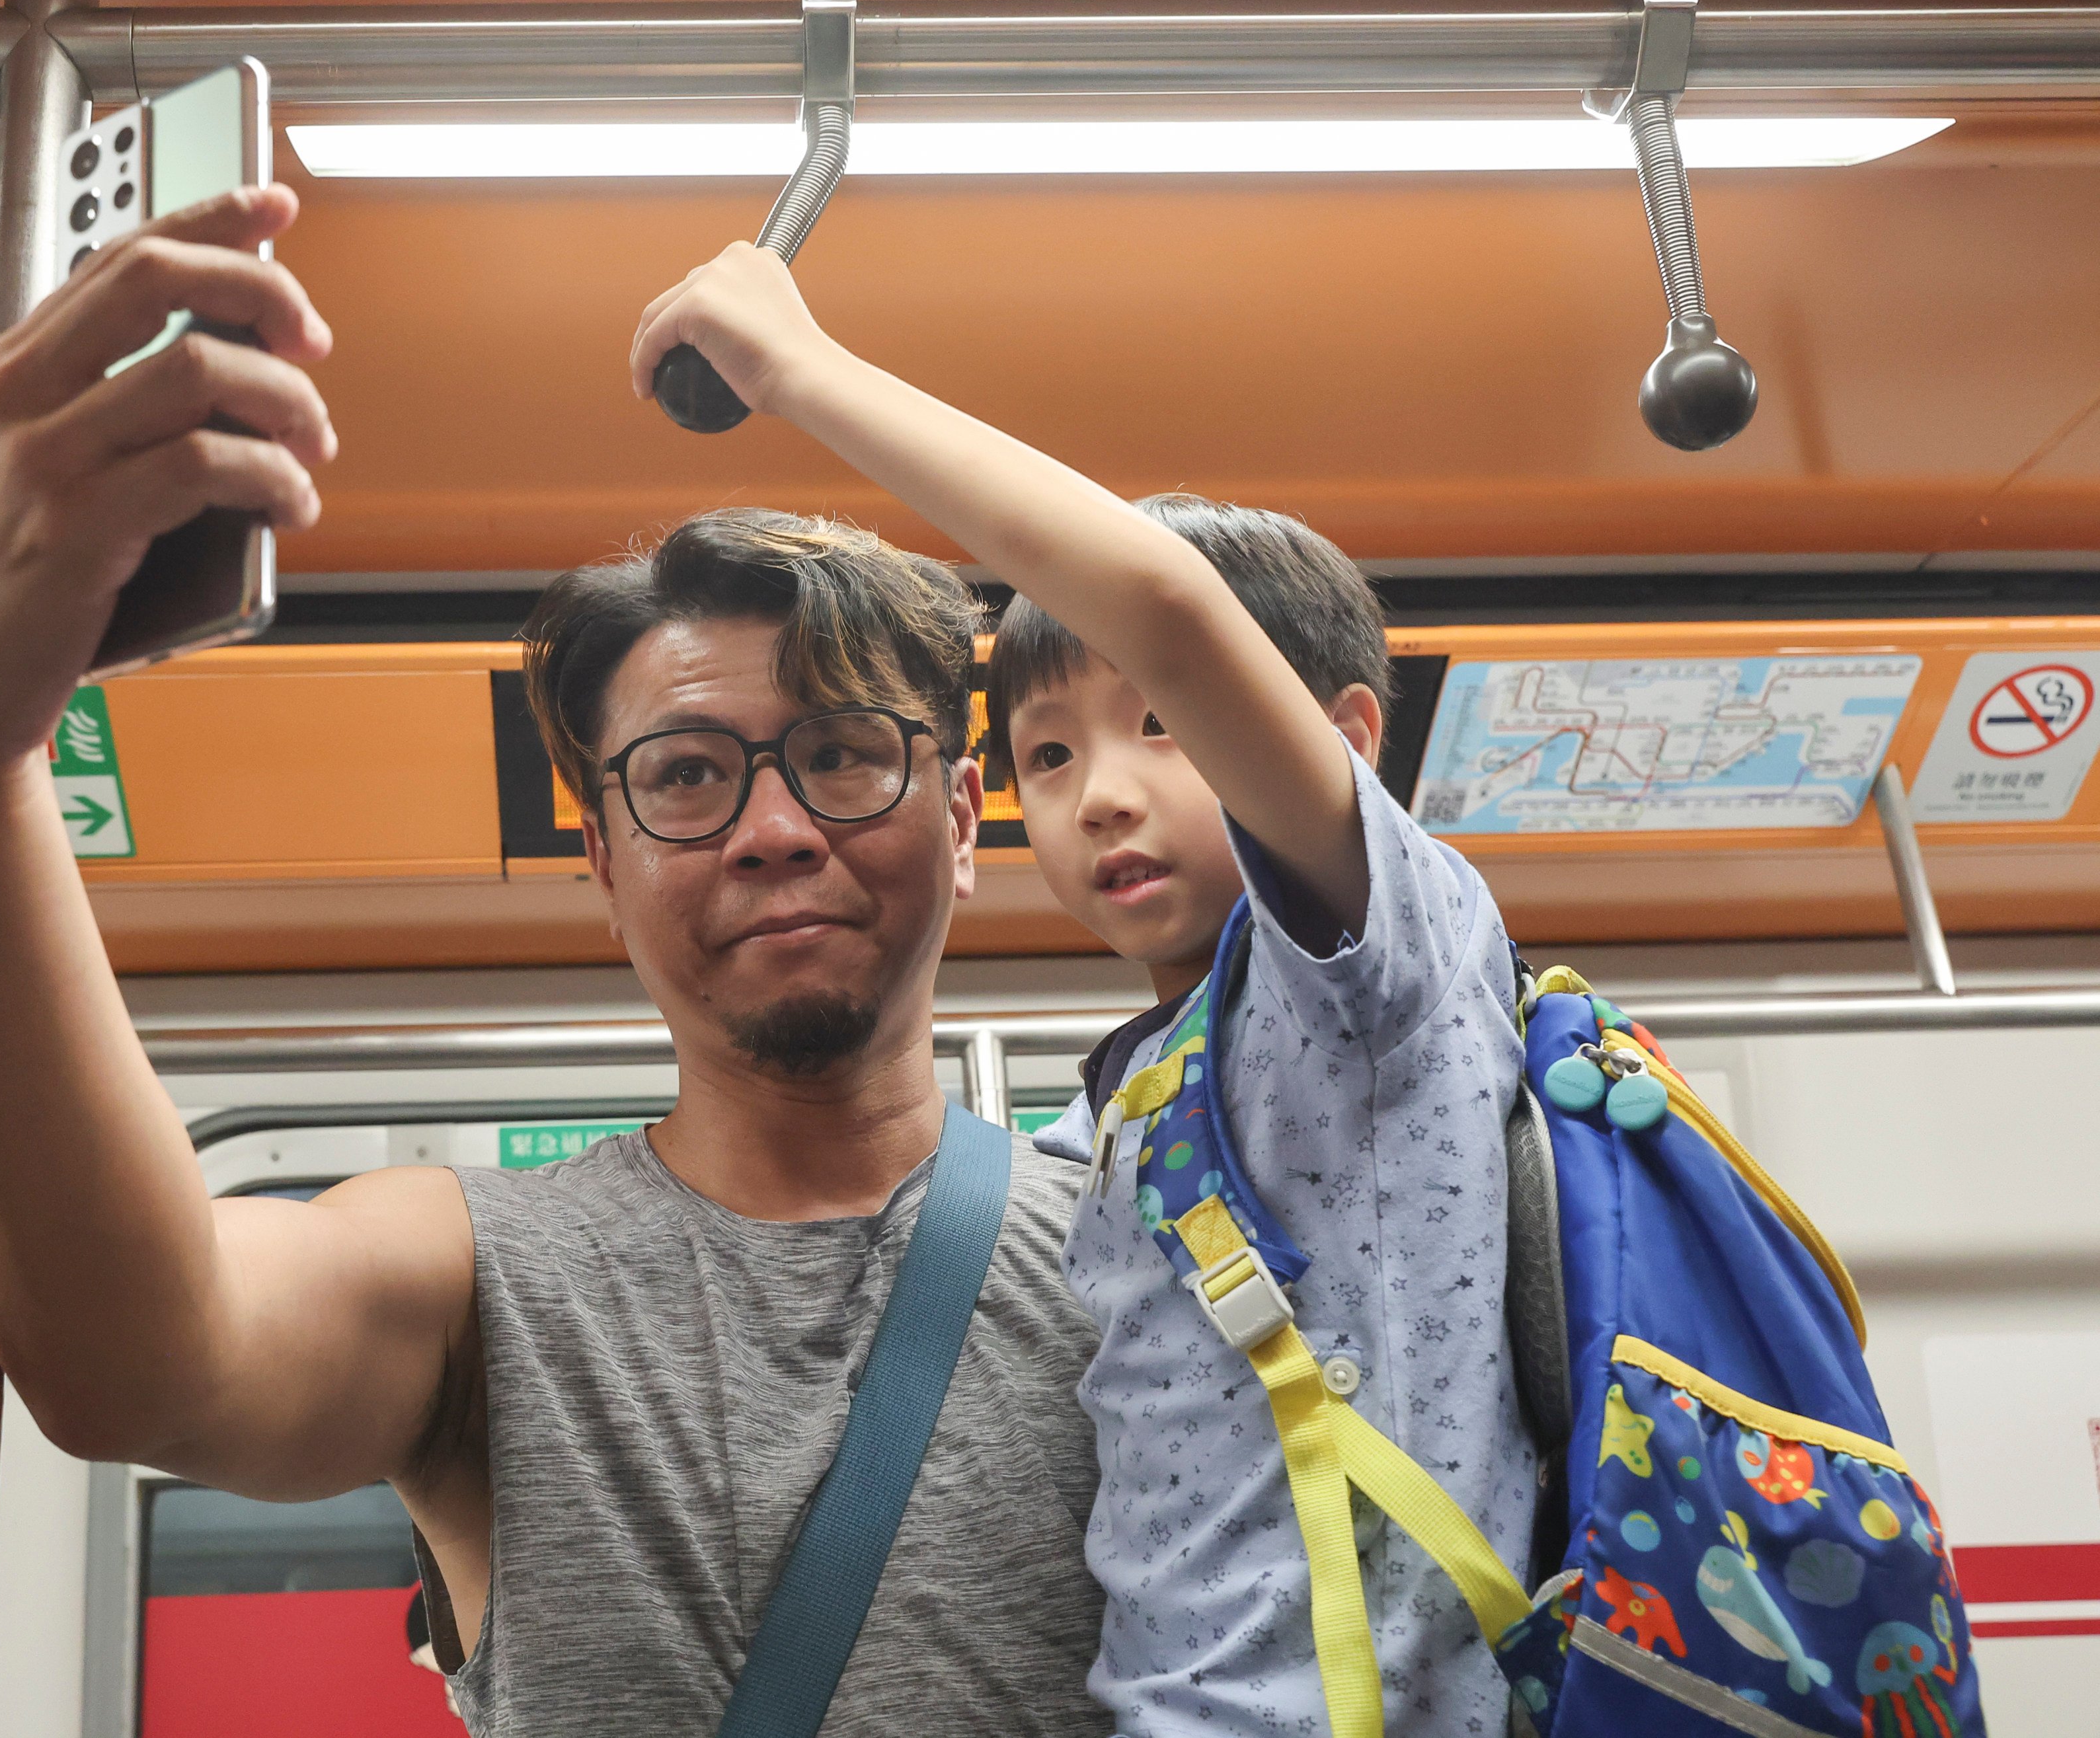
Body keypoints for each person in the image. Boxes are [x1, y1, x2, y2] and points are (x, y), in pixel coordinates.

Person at [0, 186, 1105, 1735]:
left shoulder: (1142, 1251)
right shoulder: (472, 1275)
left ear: (962, 819)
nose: (774, 829)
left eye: (843, 756)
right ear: (603, 862)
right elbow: (143, 1358)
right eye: (687, 775)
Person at [629, 246, 1537, 1731]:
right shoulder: (1122, 1118)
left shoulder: (1378, 980)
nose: (1099, 797)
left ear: (1342, 742)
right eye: (1050, 758)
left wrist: (802, 375)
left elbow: (1164, 601)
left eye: (1162, 726)